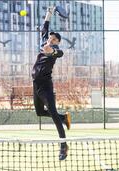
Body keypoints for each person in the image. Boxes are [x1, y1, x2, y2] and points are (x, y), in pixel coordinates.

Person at [32, 7, 71, 161]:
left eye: (55, 40)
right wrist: (49, 13)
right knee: (40, 113)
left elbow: (59, 54)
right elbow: (45, 27)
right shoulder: (44, 41)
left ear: (58, 42)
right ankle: (64, 118)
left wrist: (52, 50)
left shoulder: (55, 50)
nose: (51, 40)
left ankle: (63, 146)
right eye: (51, 38)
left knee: (53, 115)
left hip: (46, 86)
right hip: (36, 85)